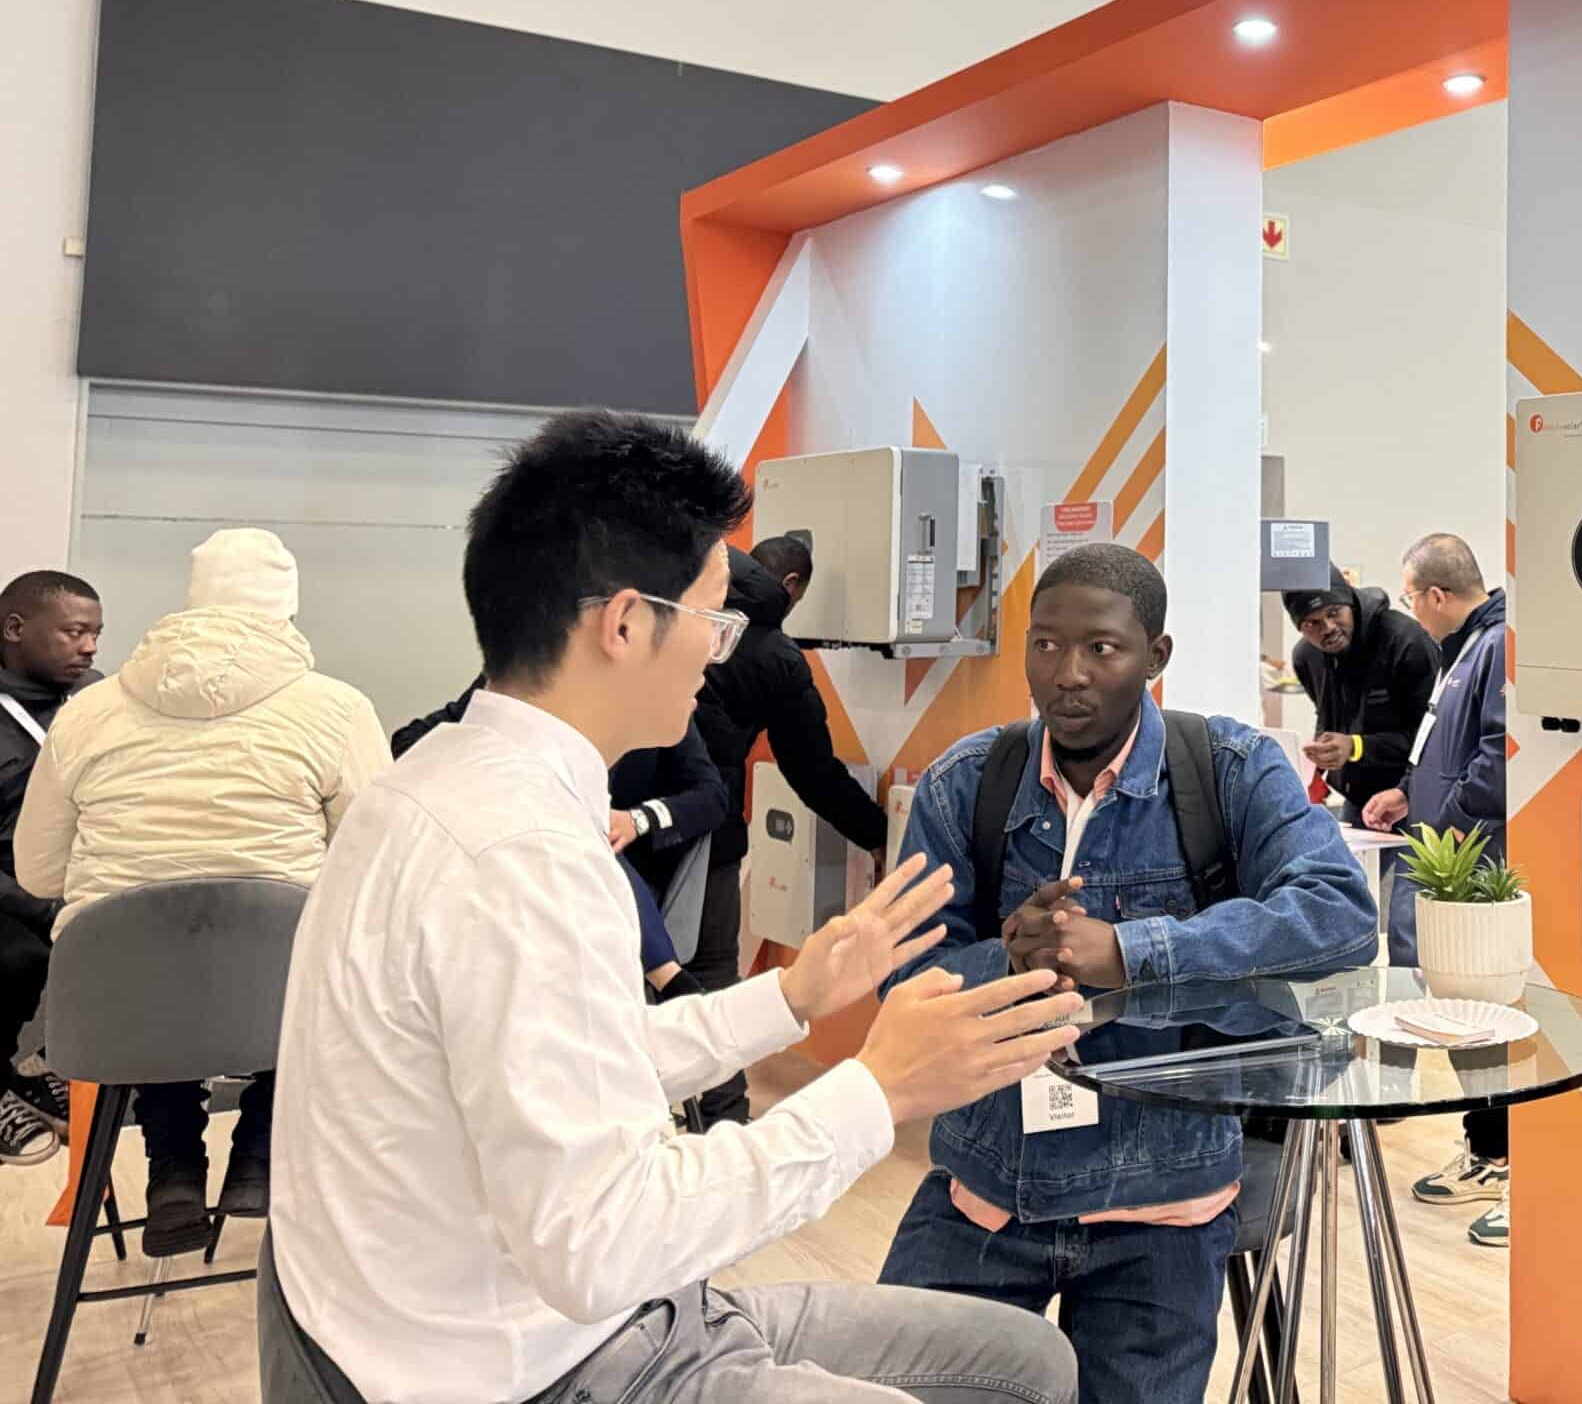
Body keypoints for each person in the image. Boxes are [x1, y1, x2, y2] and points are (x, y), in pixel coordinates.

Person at [270, 410, 1083, 1404]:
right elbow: (601, 1245)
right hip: (552, 1360)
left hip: (579, 1315)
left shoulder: (438, 780)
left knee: (1031, 1361)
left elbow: (570, 1066)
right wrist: (878, 1091)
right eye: (712, 619)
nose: (717, 652)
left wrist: (790, 996)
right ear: (623, 624)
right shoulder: (520, 858)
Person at [876, 543, 1376, 1404]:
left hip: (1165, 1204)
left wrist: (1133, 953)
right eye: (1044, 644)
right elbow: (903, 985)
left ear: (1155, 655)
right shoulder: (967, 783)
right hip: (985, 1193)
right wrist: (1011, 962)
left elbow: (1339, 914)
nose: (1067, 673)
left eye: (1101, 648)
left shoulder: (1229, 770)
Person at [13, 530, 385, 1245]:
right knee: (312, 960)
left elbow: (38, 873)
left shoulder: (89, 710)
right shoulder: (338, 709)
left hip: (115, 1015)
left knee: (153, 964)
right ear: (287, 611)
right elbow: (373, 863)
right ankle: (259, 1154)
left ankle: (173, 1171)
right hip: (275, 1006)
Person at [687, 535, 889, 1122]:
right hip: (708, 836)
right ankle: (722, 1121)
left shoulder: (680, 609)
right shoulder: (776, 656)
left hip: (621, 823)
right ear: (792, 586)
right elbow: (812, 771)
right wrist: (877, 833)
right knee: (713, 977)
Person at [1360, 532, 1512, 1249]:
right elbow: (1445, 749)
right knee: (1459, 1013)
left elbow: (1496, 760)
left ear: (1436, 594)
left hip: (1472, 864)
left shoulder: (1496, 646)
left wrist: (1445, 826)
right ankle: (1487, 1150)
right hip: (1449, 855)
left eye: (1412, 598)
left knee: (1483, 1015)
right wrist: (1405, 792)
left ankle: (1502, 1157)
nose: (1413, 613)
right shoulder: (1466, 648)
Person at [393, 678, 724, 991]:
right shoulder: (519, 684)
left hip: (615, 866)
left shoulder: (657, 699)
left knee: (588, 835)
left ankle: (668, 978)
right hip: (525, 856)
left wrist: (637, 820)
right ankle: (669, 979)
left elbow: (712, 796)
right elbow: (409, 741)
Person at [0, 569, 101, 1166]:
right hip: (9, 888)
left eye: (96, 634)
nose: (89, 648)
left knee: (148, 934)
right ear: (15, 629)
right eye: (74, 632)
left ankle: (41, 1067)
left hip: (78, 871)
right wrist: (37, 905)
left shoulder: (98, 700)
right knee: (16, 954)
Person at [1282, 564, 1439, 815]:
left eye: (1334, 612)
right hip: (1358, 800)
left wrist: (1356, 746)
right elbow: (1328, 715)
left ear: (1351, 604)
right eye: (1313, 623)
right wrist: (1322, 755)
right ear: (1300, 628)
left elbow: (1434, 737)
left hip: (1414, 797)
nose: (1328, 627)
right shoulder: (1306, 657)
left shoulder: (1406, 640)